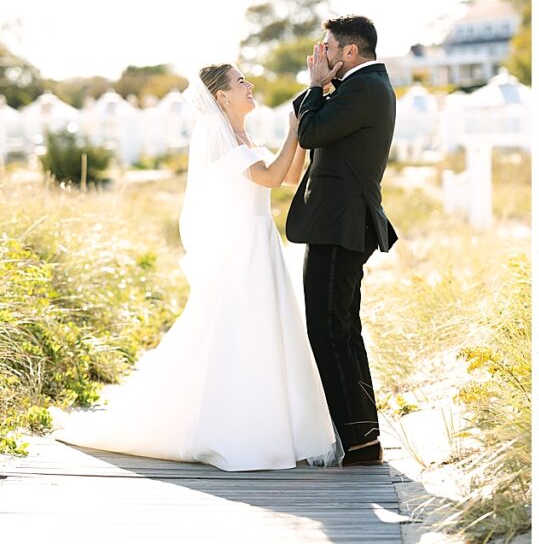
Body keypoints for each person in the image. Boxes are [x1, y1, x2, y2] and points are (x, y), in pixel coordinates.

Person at [52, 64, 339, 471]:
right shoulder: (220, 142)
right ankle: (223, 427)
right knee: (232, 332)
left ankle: (270, 425)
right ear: (222, 97)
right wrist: (296, 124)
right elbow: (271, 177)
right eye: (241, 82)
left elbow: (289, 175)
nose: (250, 85)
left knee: (265, 332)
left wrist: (304, 133)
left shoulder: (247, 138)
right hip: (241, 248)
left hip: (263, 244)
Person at [286, 15, 398, 467]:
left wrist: (317, 86)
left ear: (350, 52)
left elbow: (309, 132)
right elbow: (312, 121)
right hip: (338, 224)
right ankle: (360, 435)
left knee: (330, 331)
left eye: (328, 48)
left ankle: (360, 440)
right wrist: (320, 88)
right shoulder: (359, 88)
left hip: (341, 225)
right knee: (342, 331)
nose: (321, 56)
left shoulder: (366, 88)